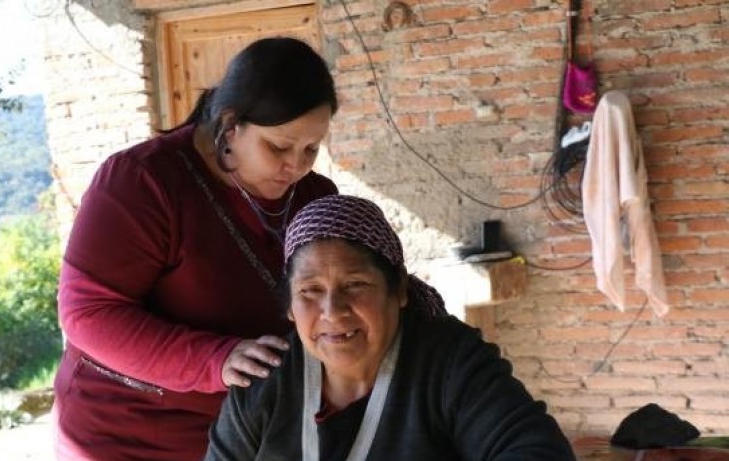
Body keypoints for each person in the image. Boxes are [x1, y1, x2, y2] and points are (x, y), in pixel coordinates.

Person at [52, 37, 339, 461]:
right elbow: (88, 314)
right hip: (126, 434)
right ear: (230, 125)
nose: (295, 166)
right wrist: (215, 360)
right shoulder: (144, 180)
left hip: (250, 434)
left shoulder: (314, 197)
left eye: (311, 148)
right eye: (278, 146)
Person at [204, 195, 576, 460]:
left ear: (398, 289)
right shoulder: (267, 380)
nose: (332, 311)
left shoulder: (450, 363)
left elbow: (536, 450)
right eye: (310, 291)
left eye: (355, 285)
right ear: (289, 305)